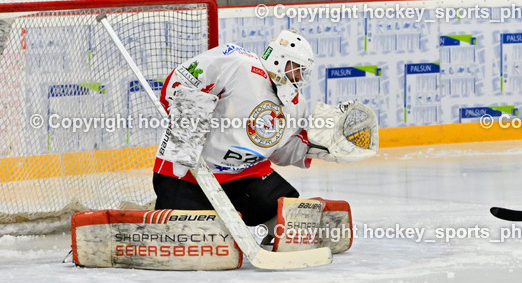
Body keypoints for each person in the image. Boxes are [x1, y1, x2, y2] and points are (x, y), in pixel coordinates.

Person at [152, 29, 374, 235]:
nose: (298, 77)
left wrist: (316, 146)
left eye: (302, 72)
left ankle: (272, 229)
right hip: (189, 174)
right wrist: (189, 121)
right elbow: (180, 81)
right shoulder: (237, 64)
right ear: (278, 59)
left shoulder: (295, 103)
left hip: (245, 176)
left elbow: (281, 151)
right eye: (296, 68)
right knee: (194, 234)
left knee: (290, 217)